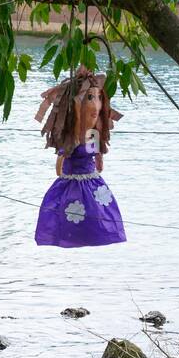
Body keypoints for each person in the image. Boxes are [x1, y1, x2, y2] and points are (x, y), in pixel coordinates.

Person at [33, 66, 127, 247]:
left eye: (99, 98)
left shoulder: (92, 135)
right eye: (90, 98)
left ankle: (90, 234)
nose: (96, 106)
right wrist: (62, 175)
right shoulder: (73, 139)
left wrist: (98, 159)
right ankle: (70, 235)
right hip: (72, 180)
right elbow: (61, 159)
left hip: (91, 180)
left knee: (96, 210)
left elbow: (96, 156)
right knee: (72, 212)